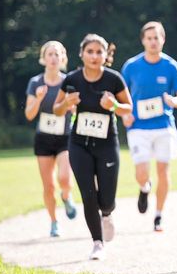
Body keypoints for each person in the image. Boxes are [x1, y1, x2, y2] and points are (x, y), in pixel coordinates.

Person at [53, 34, 132, 261]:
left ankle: (107, 213)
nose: (94, 56)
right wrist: (66, 103)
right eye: (90, 51)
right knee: (88, 195)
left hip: (107, 143)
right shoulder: (72, 80)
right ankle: (97, 243)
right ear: (82, 54)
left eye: (99, 52)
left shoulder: (114, 79)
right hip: (79, 144)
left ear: (106, 55)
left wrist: (113, 105)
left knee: (106, 197)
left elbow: (128, 108)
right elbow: (56, 110)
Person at [121, 21, 177, 233]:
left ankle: (158, 215)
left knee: (163, 170)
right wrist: (124, 114)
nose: (153, 42)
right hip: (138, 127)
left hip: (163, 126)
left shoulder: (171, 66)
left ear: (163, 39)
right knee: (141, 173)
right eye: (149, 38)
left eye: (156, 38)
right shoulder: (131, 66)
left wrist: (175, 101)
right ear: (143, 40)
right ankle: (144, 187)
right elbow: (120, 95)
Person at [24, 40, 76, 238]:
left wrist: (73, 106)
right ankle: (54, 222)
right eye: (50, 54)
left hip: (65, 137)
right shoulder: (35, 83)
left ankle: (66, 196)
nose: (54, 58)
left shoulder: (69, 81)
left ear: (63, 58)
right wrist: (38, 98)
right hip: (43, 139)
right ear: (43, 58)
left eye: (57, 54)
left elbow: (77, 108)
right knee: (48, 185)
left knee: (64, 178)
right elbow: (29, 115)